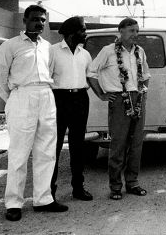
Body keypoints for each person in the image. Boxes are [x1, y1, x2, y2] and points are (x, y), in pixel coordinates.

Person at [0, 5, 68, 222]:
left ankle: (43, 199)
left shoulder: (48, 48)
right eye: (35, 19)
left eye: (43, 20)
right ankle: (14, 203)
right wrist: (14, 100)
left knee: (47, 151)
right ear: (24, 21)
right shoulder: (10, 45)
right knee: (19, 153)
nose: (40, 23)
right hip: (21, 95)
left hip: (46, 94)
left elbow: (52, 71)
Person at [87, 18, 151, 200]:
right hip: (119, 100)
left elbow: (146, 74)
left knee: (136, 143)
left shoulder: (140, 51)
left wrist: (143, 91)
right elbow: (91, 72)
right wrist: (101, 94)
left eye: (137, 31)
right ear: (120, 31)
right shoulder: (108, 51)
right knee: (118, 144)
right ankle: (115, 186)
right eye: (131, 31)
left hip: (137, 98)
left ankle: (133, 183)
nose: (135, 35)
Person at [49, 17, 93, 201]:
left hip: (80, 99)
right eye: (82, 30)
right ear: (70, 33)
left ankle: (78, 188)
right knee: (54, 146)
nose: (85, 33)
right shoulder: (52, 51)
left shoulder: (85, 54)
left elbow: (90, 77)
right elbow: (46, 77)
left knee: (78, 146)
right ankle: (49, 192)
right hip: (59, 99)